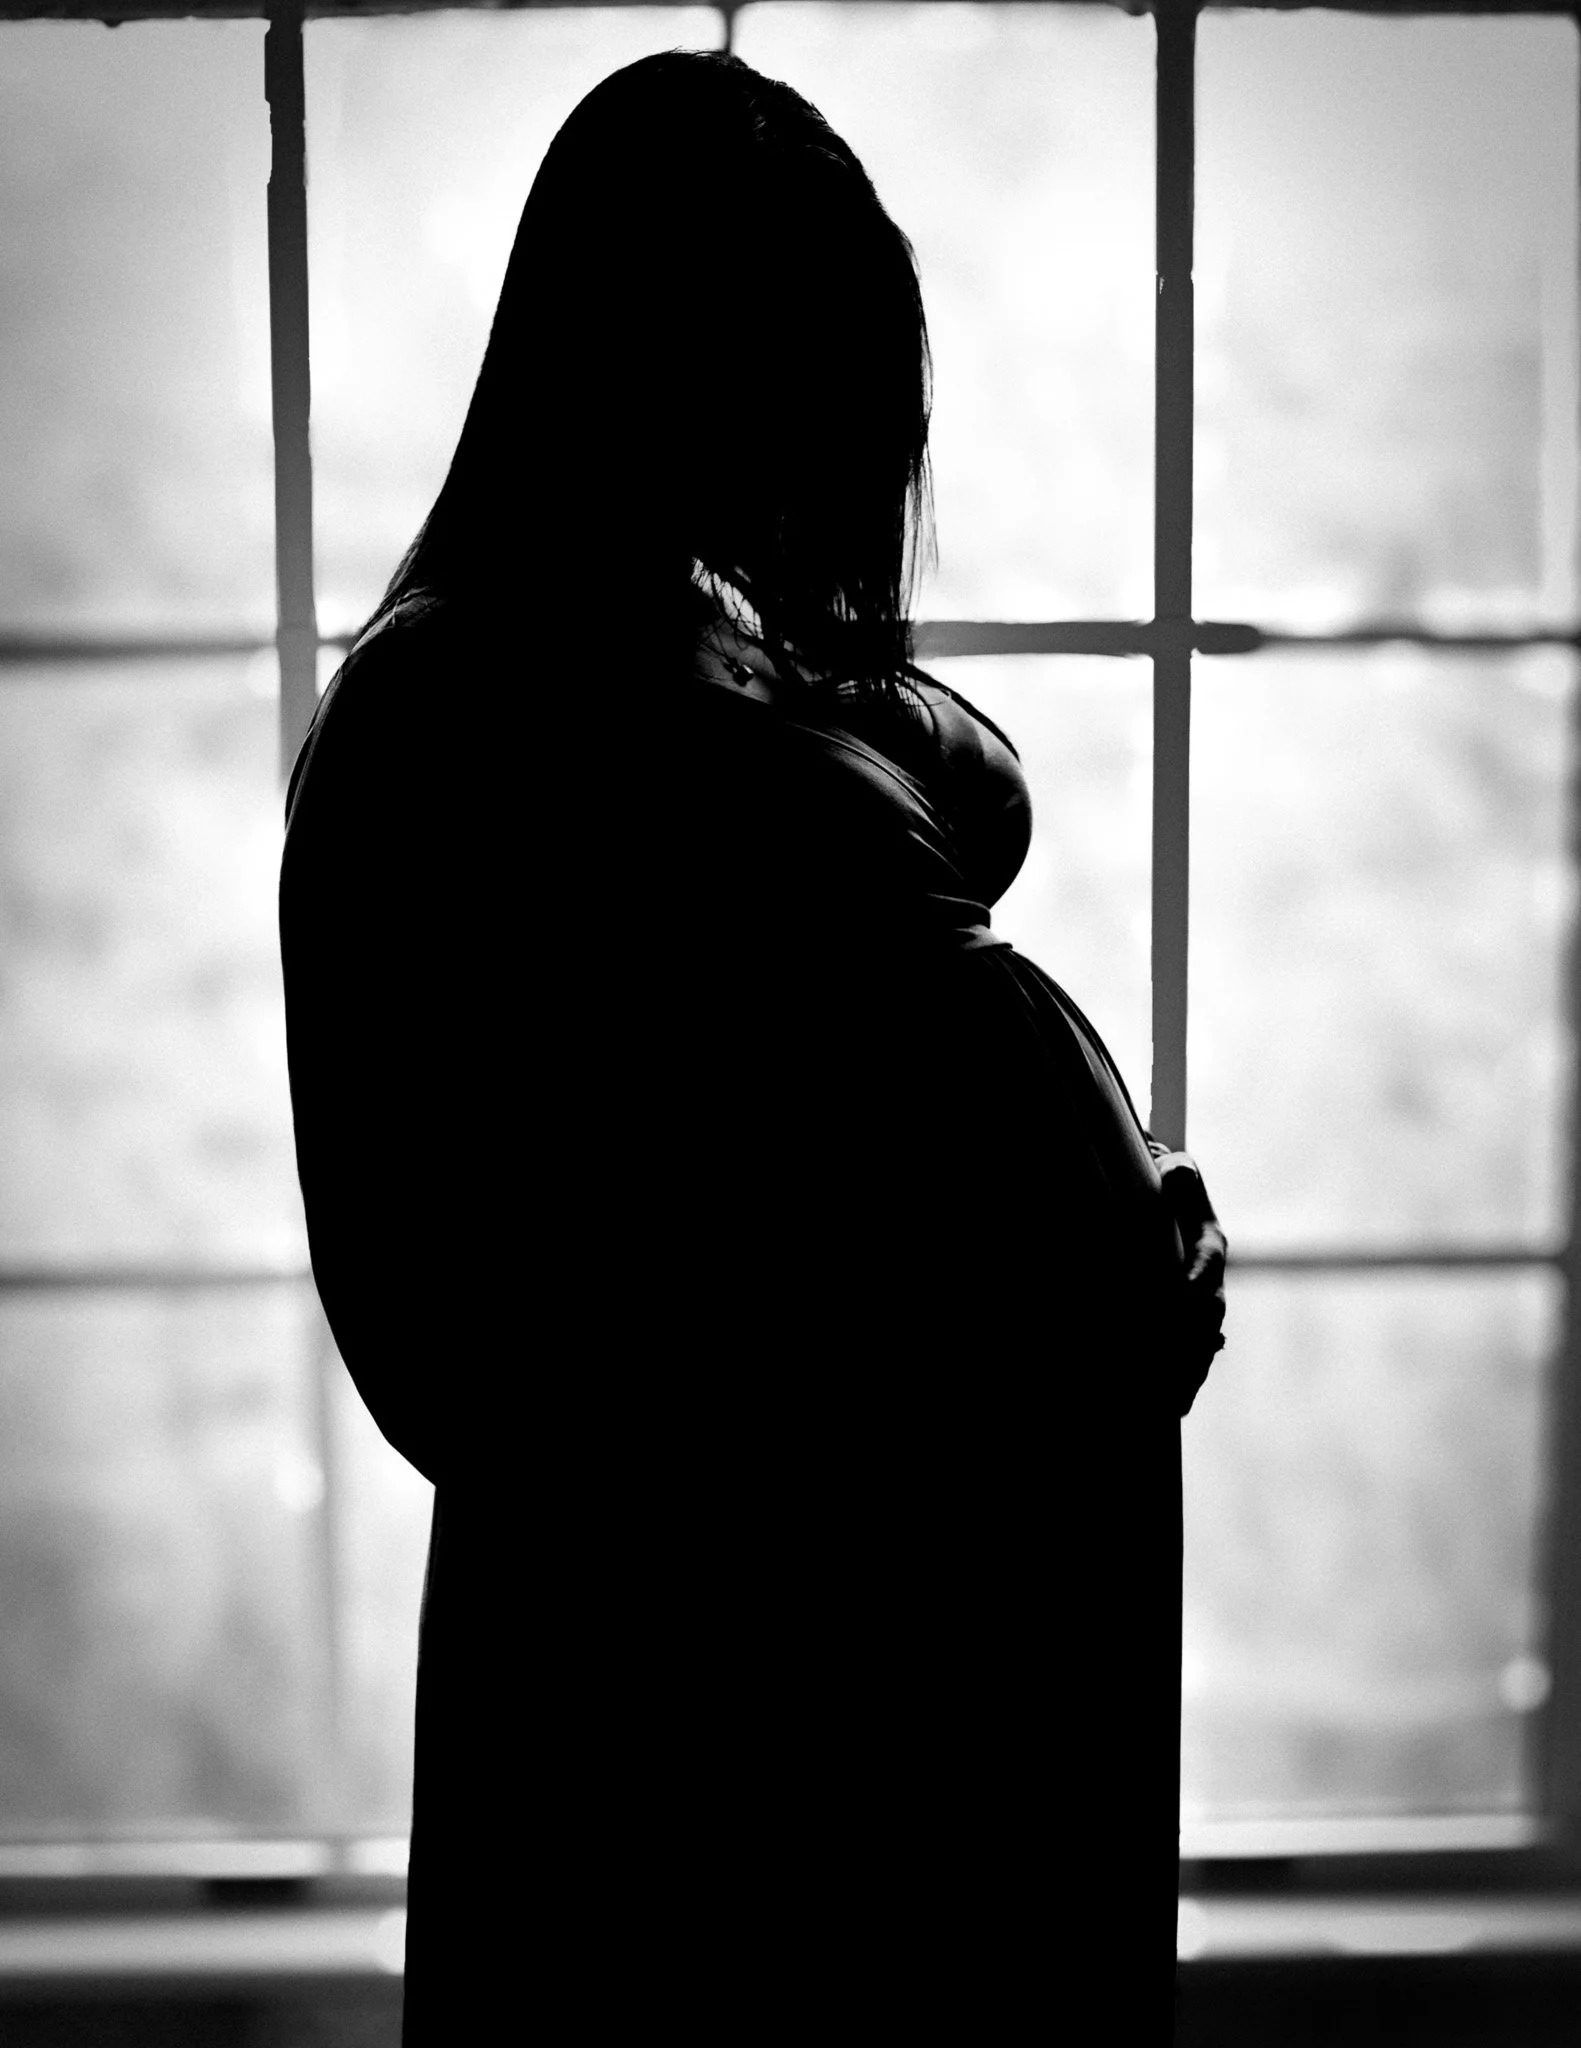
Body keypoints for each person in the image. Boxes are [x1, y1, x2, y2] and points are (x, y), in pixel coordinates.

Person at [279, 47, 1226, 2043]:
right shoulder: (442, 725)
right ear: (637, 357)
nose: (816, 472)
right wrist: (994, 1328)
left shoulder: (710, 654)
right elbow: (460, 1351)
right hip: (711, 1730)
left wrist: (1088, 1252)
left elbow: (945, 797)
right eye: (785, 388)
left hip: (932, 1663)